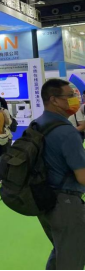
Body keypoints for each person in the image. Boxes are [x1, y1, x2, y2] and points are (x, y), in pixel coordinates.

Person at [34, 79, 85, 270]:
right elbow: (82, 176)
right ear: (54, 99)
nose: (74, 100)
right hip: (66, 203)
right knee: (72, 257)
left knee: (62, 249)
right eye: (70, 96)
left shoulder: (37, 124)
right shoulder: (67, 133)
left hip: (43, 199)